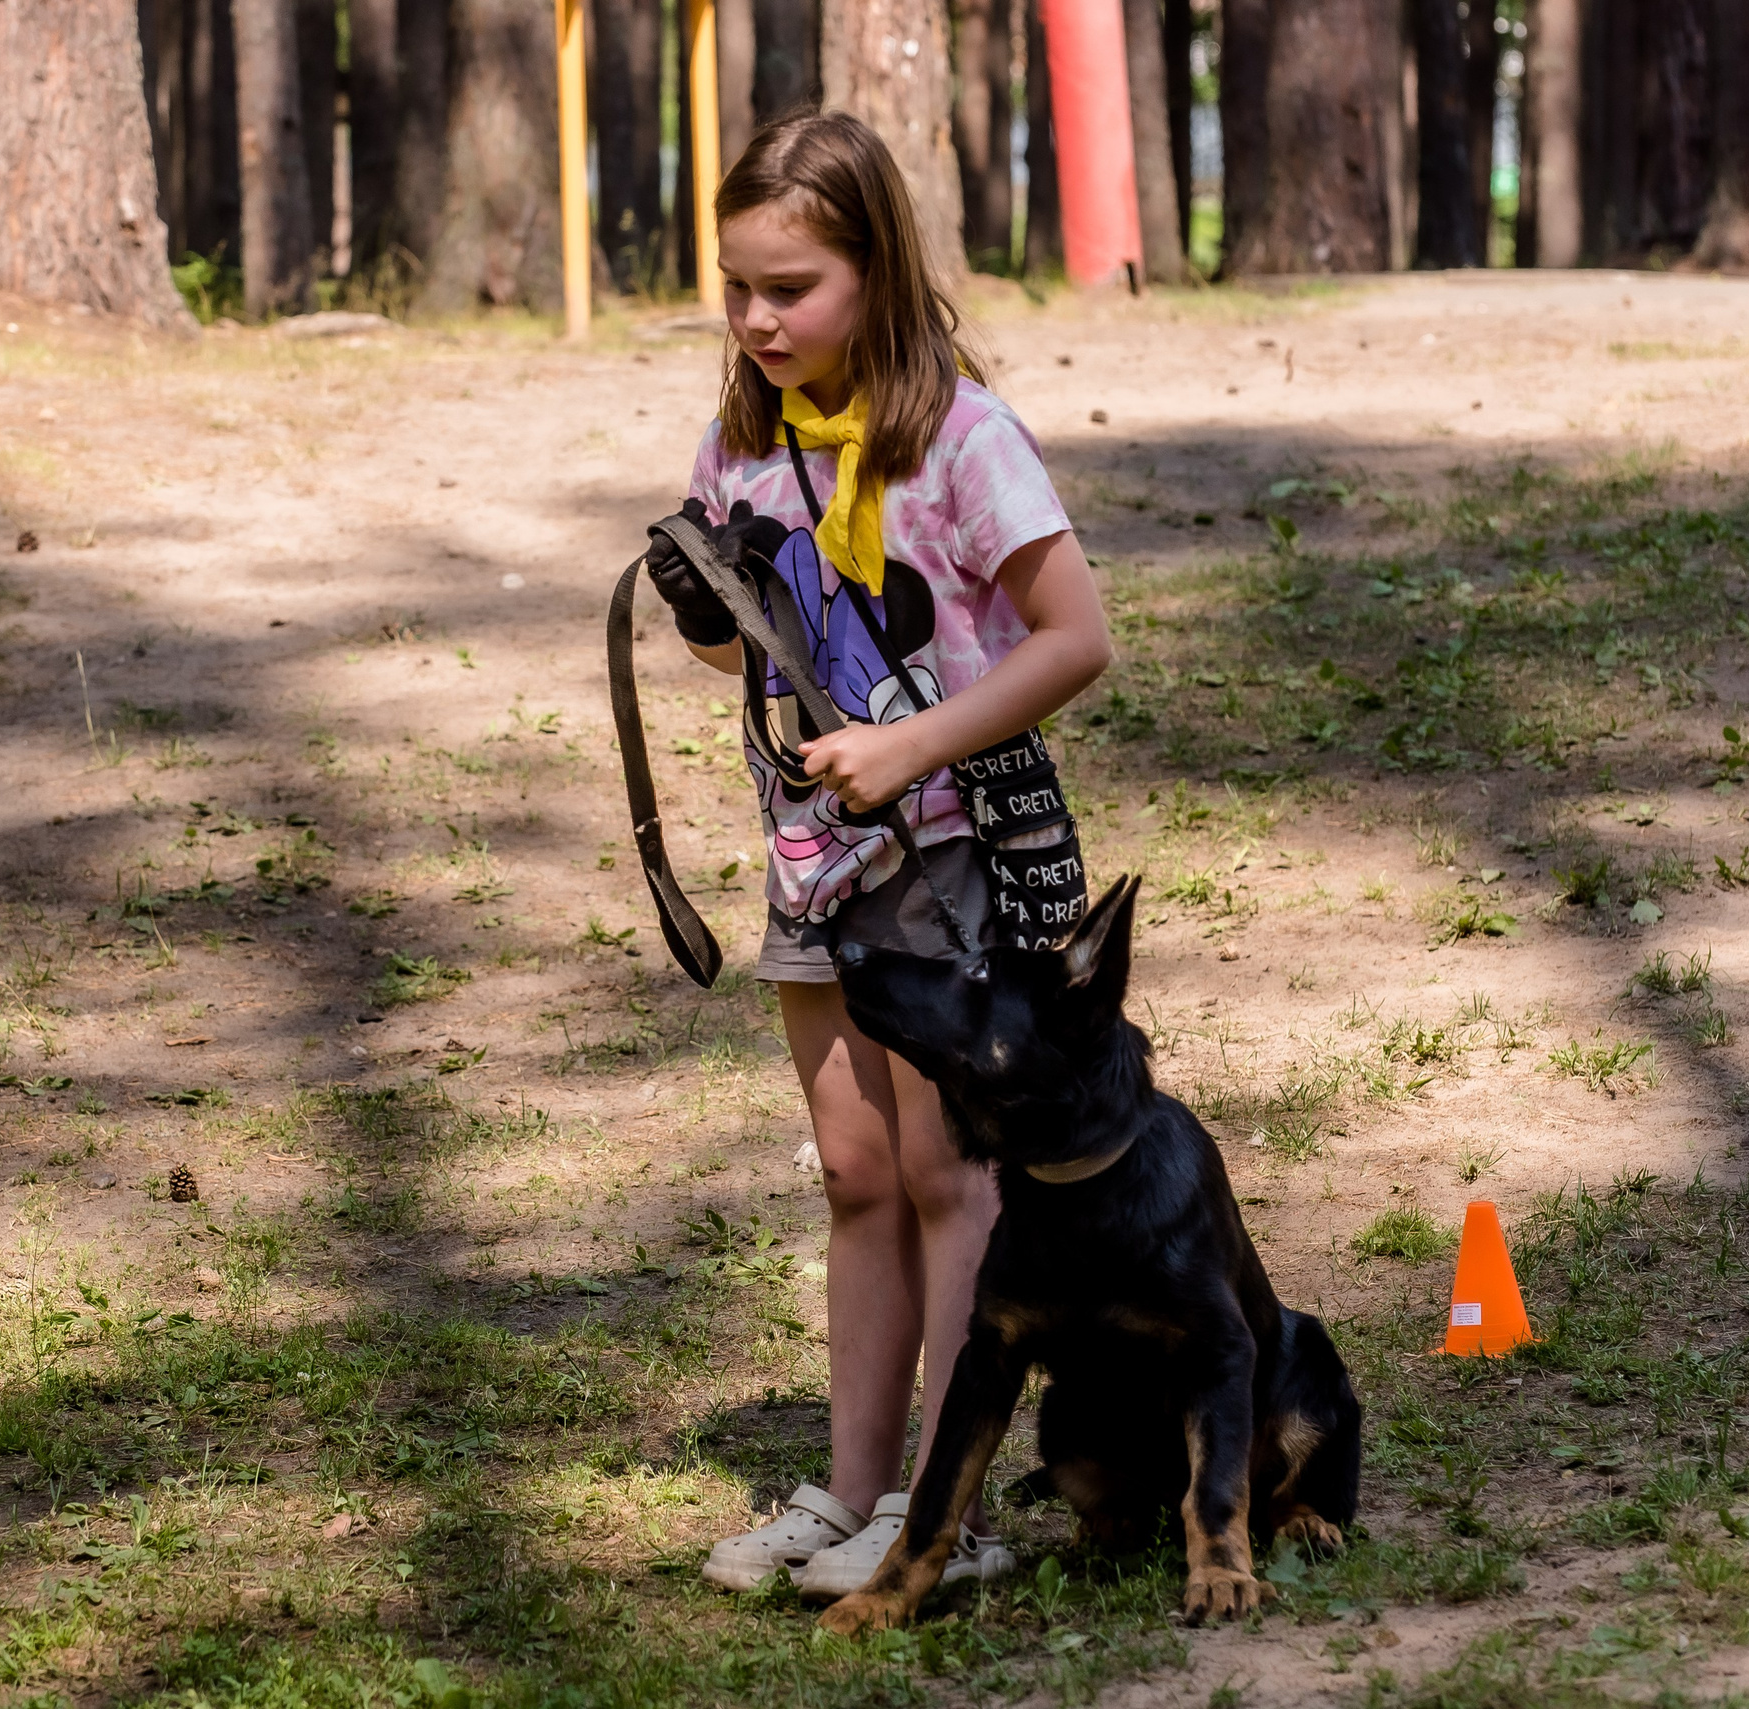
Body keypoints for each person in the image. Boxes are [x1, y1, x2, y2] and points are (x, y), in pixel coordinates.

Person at [642, 110, 1112, 1601]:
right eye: (737, 287)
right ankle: (850, 1493)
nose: (760, 318)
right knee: (855, 1172)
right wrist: (704, 614)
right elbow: (754, 663)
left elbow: (1076, 638)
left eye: (794, 285)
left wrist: (917, 744)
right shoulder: (746, 441)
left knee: (939, 1172)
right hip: (813, 862)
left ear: (877, 269)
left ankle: (945, 1505)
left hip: (951, 849)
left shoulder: (961, 440)